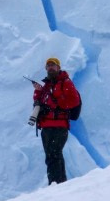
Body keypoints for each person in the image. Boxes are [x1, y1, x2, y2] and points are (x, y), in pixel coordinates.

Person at [30, 57, 81, 185]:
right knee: (51, 155)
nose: (50, 67)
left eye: (53, 65)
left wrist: (54, 104)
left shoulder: (65, 82)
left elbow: (73, 101)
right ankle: (59, 183)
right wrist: (37, 92)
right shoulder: (46, 85)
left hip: (59, 125)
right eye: (48, 66)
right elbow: (38, 103)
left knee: (54, 154)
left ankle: (56, 184)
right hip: (46, 126)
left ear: (58, 67)